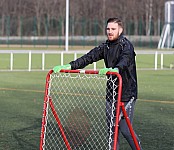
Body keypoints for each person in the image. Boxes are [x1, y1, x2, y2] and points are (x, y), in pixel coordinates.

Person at [53, 17, 142, 150]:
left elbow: (125, 60)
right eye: (108, 29)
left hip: (127, 94)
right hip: (111, 93)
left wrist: (116, 69)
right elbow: (88, 57)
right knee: (112, 131)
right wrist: (70, 66)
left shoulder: (126, 45)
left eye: (113, 29)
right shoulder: (105, 46)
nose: (110, 32)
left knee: (124, 129)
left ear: (120, 30)